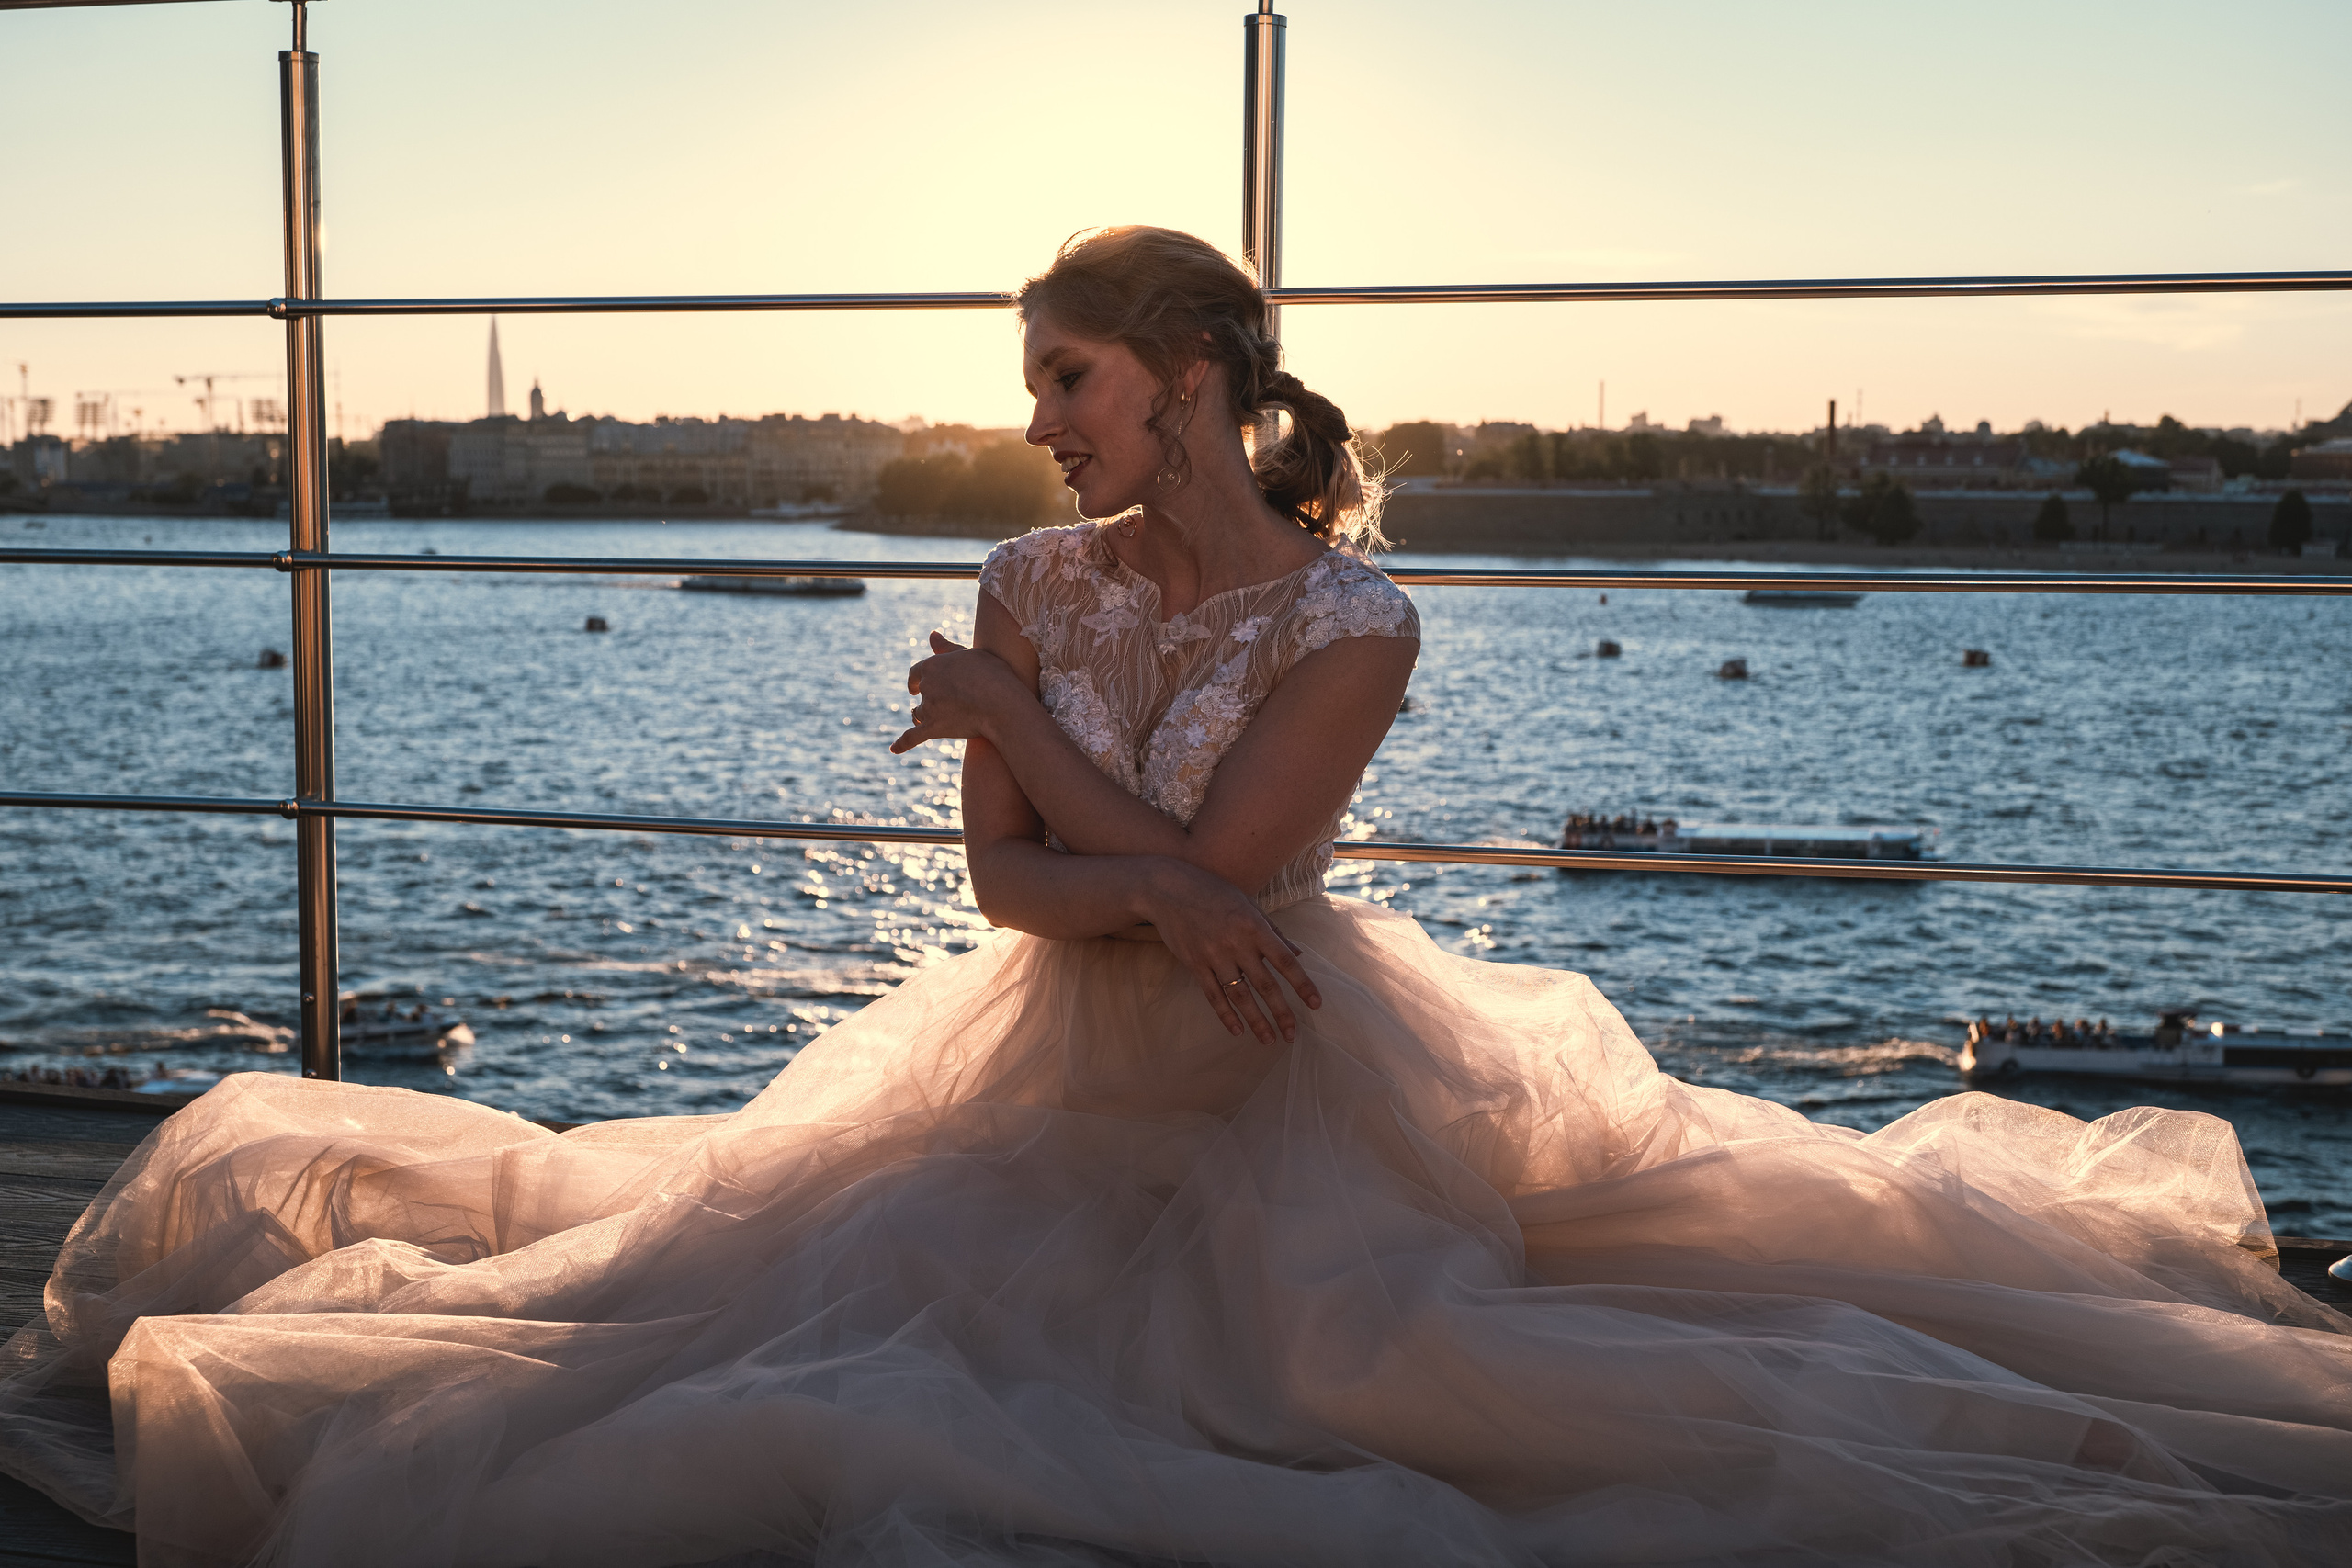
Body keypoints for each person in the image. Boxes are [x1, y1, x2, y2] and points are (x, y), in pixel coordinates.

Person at [2, 227, 2346, 1566]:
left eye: (1072, 379)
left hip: (1291, 1055)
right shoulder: (1024, 574)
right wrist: (1073, 801)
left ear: (1196, 376)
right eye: (1033, 384)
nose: (1038, 419)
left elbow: (1235, 885)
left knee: (1357, 1357)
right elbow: (1017, 898)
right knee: (763, 1315)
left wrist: (1010, 729)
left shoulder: (1355, 618)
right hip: (1046, 1055)